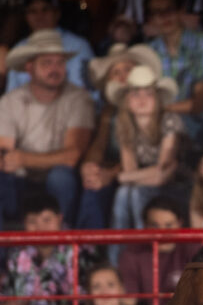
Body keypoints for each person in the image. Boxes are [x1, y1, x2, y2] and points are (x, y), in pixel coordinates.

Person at [0, 28, 94, 230]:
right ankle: (7, 241)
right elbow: (5, 155)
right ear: (29, 68)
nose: (55, 69)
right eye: (46, 63)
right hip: (20, 176)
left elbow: (72, 156)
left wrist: (24, 158)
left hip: (59, 174)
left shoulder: (79, 99)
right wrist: (16, 160)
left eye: (60, 63)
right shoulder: (10, 101)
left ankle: (63, 239)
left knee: (61, 177)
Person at [4, 193, 97, 305]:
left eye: (47, 220)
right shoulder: (17, 254)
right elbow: (11, 303)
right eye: (32, 222)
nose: (40, 228)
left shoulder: (80, 251)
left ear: (60, 219)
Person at [77, 43, 164, 229]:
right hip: (121, 174)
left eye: (127, 70)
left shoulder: (150, 108)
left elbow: (142, 161)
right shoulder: (109, 112)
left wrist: (110, 174)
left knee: (125, 192)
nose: (123, 76)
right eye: (116, 72)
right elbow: (99, 145)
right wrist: (89, 167)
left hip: (147, 176)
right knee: (92, 187)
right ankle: (89, 245)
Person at [107, 64, 184, 231]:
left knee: (133, 191)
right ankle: (119, 247)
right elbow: (130, 169)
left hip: (174, 187)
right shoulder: (123, 124)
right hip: (141, 185)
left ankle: (143, 242)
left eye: (149, 94)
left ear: (157, 99)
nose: (142, 100)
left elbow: (162, 173)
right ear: (127, 100)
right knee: (123, 192)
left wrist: (123, 177)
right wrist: (127, 177)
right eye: (135, 94)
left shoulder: (169, 120)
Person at [145, 0, 203, 142]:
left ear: (181, 11)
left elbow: (199, 103)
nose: (164, 17)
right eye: (157, 12)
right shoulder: (149, 51)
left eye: (169, 10)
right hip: (159, 124)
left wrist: (161, 109)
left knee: (170, 123)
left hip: (200, 127)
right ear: (151, 19)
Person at [5, 0, 95, 94]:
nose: (39, 16)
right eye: (33, 11)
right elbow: (11, 92)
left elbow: (88, 94)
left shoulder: (79, 46)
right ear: (26, 17)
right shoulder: (19, 49)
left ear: (57, 13)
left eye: (45, 9)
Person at [117, 194, 199, 304]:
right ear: (145, 226)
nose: (162, 233)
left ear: (180, 224)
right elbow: (128, 303)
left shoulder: (193, 248)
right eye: (155, 226)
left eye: (169, 225)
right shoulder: (132, 254)